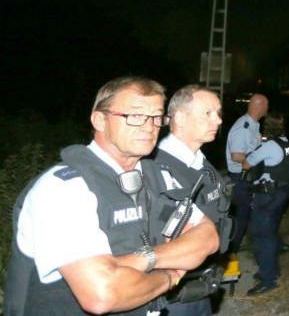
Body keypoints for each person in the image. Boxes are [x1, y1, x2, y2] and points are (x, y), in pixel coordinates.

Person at [3, 76, 219, 316]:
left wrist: (146, 259)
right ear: (99, 120)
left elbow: (207, 237)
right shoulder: (63, 189)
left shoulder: (157, 176)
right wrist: (168, 276)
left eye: (156, 117)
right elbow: (102, 294)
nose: (149, 126)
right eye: (134, 116)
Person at [153, 85, 233, 316]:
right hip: (173, 296)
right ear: (179, 117)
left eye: (218, 113)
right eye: (207, 113)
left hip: (203, 286)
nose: (217, 121)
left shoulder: (201, 163)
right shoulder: (156, 168)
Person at [242, 112, 289, 296]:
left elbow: (247, 164)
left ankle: (268, 279)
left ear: (267, 127)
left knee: (261, 236)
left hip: (268, 195)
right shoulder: (287, 143)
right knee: (270, 231)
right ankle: (271, 268)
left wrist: (252, 150)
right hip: (283, 193)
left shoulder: (270, 146)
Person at [224, 93, 268, 254]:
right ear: (260, 106)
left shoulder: (254, 125)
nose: (267, 109)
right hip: (240, 179)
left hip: (248, 177)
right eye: (266, 105)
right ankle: (231, 253)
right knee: (241, 218)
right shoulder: (243, 127)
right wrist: (258, 161)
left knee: (248, 215)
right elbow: (236, 155)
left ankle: (244, 247)